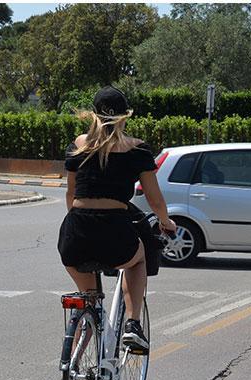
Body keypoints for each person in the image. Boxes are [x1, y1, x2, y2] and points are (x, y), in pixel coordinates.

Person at [58, 86, 177, 351]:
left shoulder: (78, 145)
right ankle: (133, 325)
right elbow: (155, 200)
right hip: (114, 229)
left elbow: (71, 194)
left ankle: (70, 369)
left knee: (88, 301)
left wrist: (80, 226)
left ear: (93, 115)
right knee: (138, 259)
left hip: (75, 232)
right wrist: (166, 221)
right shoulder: (137, 149)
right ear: (124, 117)